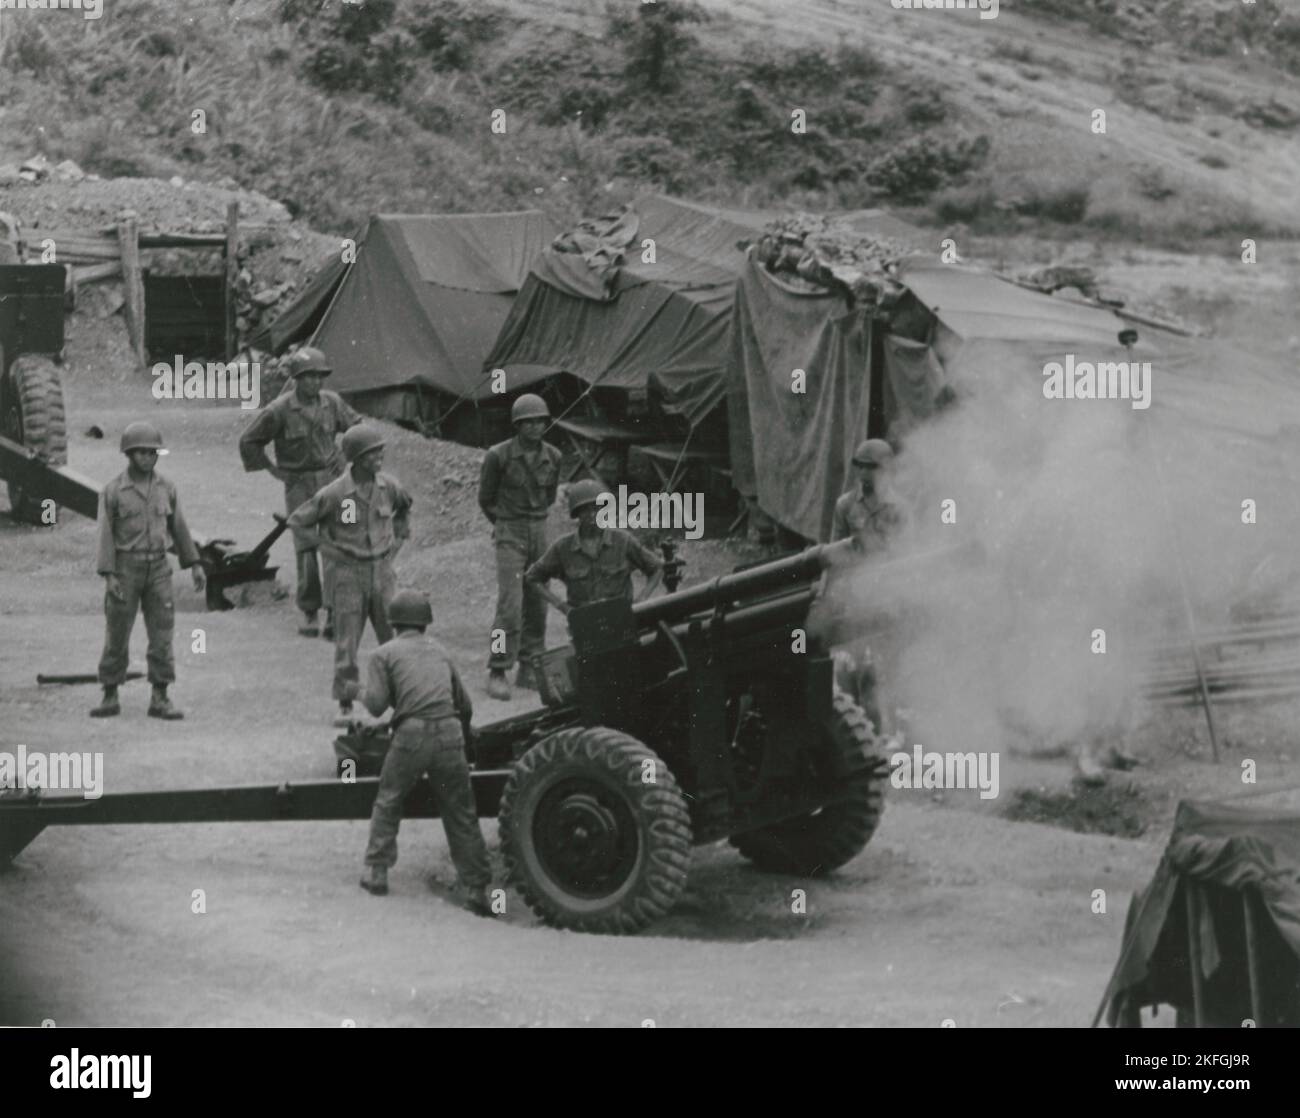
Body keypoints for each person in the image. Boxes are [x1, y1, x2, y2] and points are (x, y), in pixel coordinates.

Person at [343, 589, 494, 914]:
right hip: (450, 731)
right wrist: (463, 745)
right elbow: (464, 704)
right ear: (425, 621)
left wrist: (355, 690)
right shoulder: (440, 651)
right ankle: (477, 888)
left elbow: (378, 705)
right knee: (461, 810)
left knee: (389, 798)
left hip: (411, 735)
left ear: (393, 621)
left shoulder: (384, 654)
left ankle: (376, 871)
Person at [287, 423, 411, 722]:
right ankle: (345, 702)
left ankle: (401, 698)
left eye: (380, 451)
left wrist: (397, 541)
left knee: (393, 639)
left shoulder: (388, 487)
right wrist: (326, 550)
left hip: (382, 573)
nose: (378, 458)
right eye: (371, 454)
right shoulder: (334, 494)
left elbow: (405, 507)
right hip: (348, 576)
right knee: (347, 642)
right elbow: (298, 521)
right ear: (355, 458)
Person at [238, 346, 361, 638]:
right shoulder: (279, 409)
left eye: (320, 377)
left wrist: (345, 455)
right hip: (298, 484)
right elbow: (249, 441)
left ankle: (333, 612)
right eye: (308, 377)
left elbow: (358, 428)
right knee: (305, 546)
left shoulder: (332, 403)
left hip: (332, 481)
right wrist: (271, 469)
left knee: (336, 543)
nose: (315, 383)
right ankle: (309, 610)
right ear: (295, 379)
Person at [91, 421, 206, 720]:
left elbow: (179, 528)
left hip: (158, 567)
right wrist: (109, 574)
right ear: (128, 455)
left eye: (153, 453)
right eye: (141, 453)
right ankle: (110, 694)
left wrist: (194, 564)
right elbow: (105, 534)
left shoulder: (167, 488)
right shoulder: (113, 491)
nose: (147, 458)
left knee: (162, 633)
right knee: (117, 632)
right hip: (126, 567)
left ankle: (160, 696)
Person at [477, 393, 562, 700]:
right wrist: (503, 526)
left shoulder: (553, 456)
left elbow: (550, 496)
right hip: (509, 530)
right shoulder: (498, 456)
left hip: (539, 529)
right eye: (528, 423)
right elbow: (486, 498)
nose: (535, 428)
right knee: (509, 606)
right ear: (517, 425)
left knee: (538, 602)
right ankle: (498, 669)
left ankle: (530, 664)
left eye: (540, 421)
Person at [829, 438, 905, 734]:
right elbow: (834, 554)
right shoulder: (846, 505)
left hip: (889, 597)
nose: (863, 473)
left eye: (870, 467)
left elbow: (908, 552)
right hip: (857, 598)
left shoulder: (899, 508)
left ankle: (891, 733)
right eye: (858, 465)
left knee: (890, 671)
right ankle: (864, 734)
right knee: (855, 669)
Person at [525, 479, 663, 623]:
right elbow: (532, 577)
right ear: (577, 514)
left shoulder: (622, 540)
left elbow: (656, 567)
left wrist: (640, 601)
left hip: (622, 618)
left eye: (596, 509)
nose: (592, 515)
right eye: (585, 510)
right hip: (585, 622)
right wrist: (563, 607)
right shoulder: (563, 547)